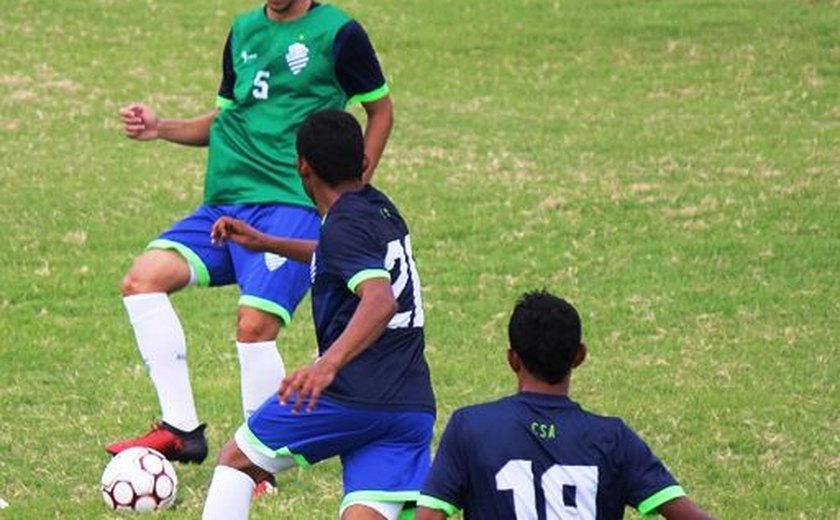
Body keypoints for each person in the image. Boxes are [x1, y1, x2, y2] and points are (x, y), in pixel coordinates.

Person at [107, 0, 393, 466]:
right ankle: (181, 429)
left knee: (254, 326)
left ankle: (257, 460)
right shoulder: (243, 31)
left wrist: (353, 191)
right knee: (142, 279)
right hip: (224, 204)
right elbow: (226, 119)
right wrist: (161, 128)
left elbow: (381, 111)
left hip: (291, 203)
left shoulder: (338, 34)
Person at [201, 110, 435, 520]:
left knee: (236, 461)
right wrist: (267, 242)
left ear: (302, 166)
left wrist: (326, 366)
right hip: (409, 405)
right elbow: (341, 255)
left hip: (351, 395)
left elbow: (380, 301)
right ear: (362, 162)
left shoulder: (344, 225)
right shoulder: (379, 208)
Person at [417, 291, 715, 520]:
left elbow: (429, 516)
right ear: (580, 356)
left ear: (512, 359)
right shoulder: (614, 438)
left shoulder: (471, 427)